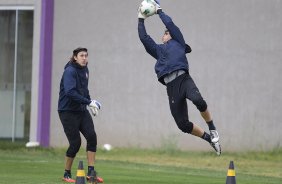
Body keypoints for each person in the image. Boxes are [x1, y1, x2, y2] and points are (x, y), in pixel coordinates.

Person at [137, 1, 221, 155]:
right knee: (182, 124)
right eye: (166, 32)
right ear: (163, 37)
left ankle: (213, 128)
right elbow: (143, 38)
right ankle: (209, 139)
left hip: (183, 79)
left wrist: (159, 12)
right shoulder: (158, 50)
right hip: (171, 86)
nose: (167, 33)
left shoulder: (179, 42)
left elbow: (170, 23)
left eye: (169, 32)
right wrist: (141, 19)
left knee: (198, 101)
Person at [58, 47, 104, 183]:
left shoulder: (85, 70)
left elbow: (84, 90)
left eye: (86, 55)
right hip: (67, 111)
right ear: (75, 57)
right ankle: (66, 174)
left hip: (81, 110)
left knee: (92, 137)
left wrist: (90, 103)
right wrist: (88, 102)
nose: (84, 58)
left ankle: (91, 173)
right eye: (81, 55)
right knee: (75, 143)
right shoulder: (70, 71)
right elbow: (70, 92)